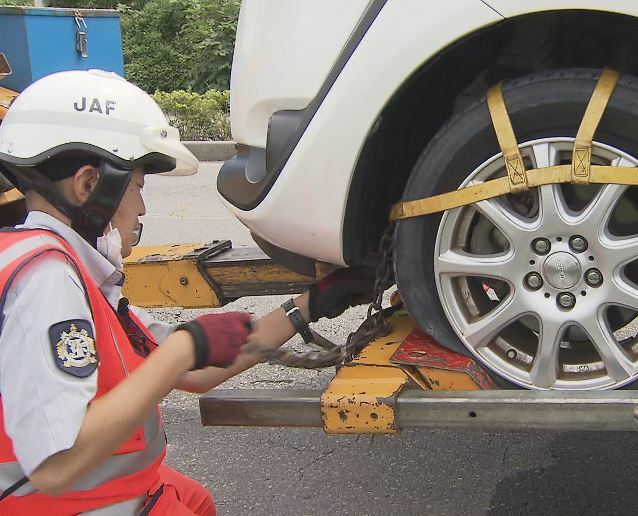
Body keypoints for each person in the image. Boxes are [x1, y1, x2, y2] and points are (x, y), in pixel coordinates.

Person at [0, 70, 373, 514]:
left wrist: (312, 305)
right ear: (88, 186)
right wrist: (182, 348)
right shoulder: (45, 279)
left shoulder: (72, 274)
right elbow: (56, 464)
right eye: (136, 187)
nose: (141, 207)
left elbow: (195, 373)